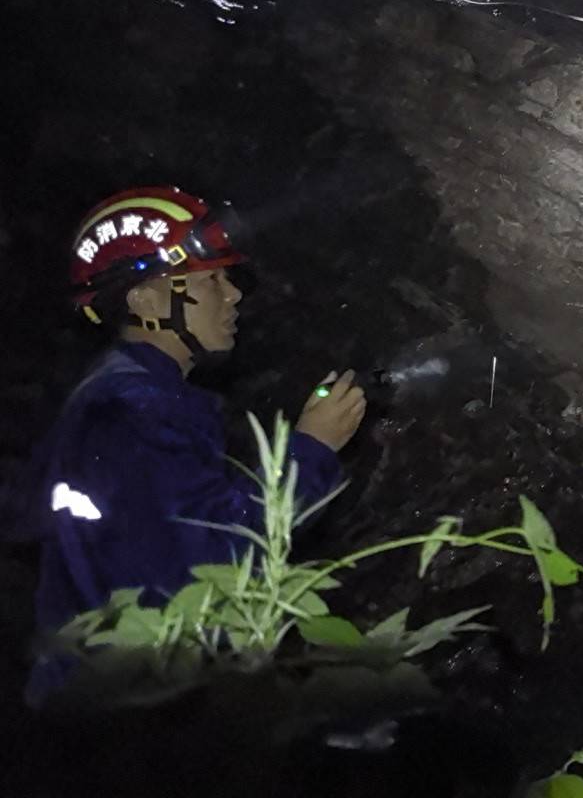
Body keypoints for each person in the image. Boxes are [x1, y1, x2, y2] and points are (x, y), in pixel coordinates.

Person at [25, 186, 366, 704]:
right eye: (210, 281)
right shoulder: (132, 413)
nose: (232, 295)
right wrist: (311, 450)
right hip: (118, 716)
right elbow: (218, 570)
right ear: (144, 301)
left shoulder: (136, 397)